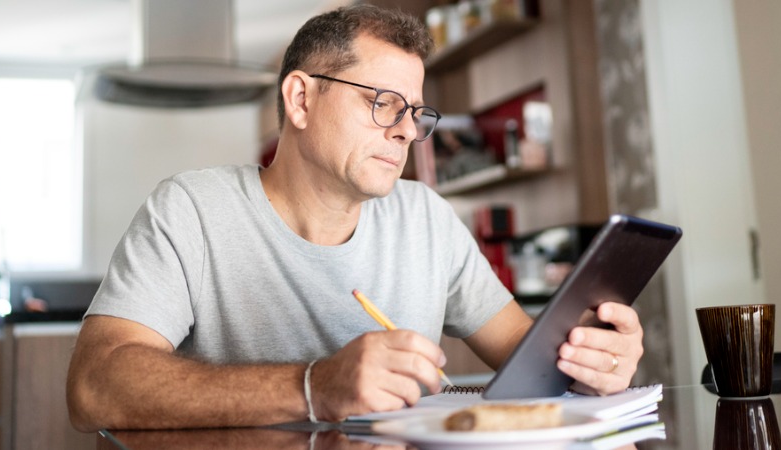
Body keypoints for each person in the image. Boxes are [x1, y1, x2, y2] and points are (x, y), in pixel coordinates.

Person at [67, 4, 644, 431]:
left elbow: (530, 356)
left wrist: (590, 359)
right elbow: (94, 386)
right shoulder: (191, 210)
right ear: (300, 100)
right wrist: (314, 385)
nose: (405, 130)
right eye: (383, 102)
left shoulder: (426, 219)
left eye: (416, 112)